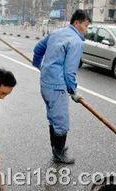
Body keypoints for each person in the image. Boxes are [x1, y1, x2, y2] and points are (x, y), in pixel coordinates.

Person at [32, 10, 91, 164]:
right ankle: (58, 154)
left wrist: (39, 65)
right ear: (77, 23)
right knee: (61, 122)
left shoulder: (57, 33)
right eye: (85, 25)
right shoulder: (76, 41)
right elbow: (69, 72)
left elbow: (37, 49)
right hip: (57, 87)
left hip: (45, 83)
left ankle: (56, 147)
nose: (87, 29)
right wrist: (73, 91)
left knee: (53, 118)